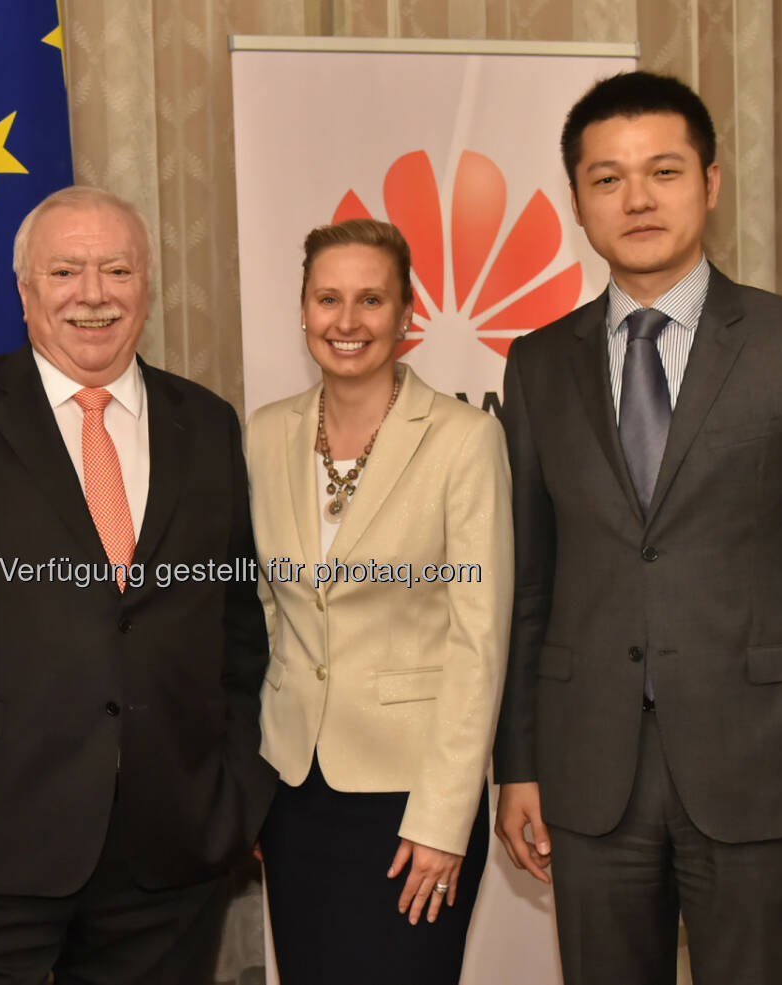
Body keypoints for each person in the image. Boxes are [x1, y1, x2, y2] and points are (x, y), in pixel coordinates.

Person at [491, 71, 782, 985]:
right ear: (577, 199)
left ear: (711, 184)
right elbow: (531, 583)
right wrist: (516, 762)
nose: (637, 198)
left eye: (664, 171)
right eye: (607, 178)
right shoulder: (534, 365)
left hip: (764, 765)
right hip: (588, 771)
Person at [0, 185, 276, 985]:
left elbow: (236, 627)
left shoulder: (209, 423)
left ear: (147, 286)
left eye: (117, 270)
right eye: (66, 271)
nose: (93, 294)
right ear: (24, 292)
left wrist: (240, 790)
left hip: (170, 844)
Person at [247, 218, 512, 984]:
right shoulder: (265, 434)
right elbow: (266, 610)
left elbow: (479, 638)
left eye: (371, 299)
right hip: (295, 790)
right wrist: (258, 785)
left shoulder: (464, 439)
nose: (347, 320)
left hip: (412, 795)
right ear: (302, 311)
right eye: (328, 298)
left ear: (407, 315)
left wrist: (444, 817)